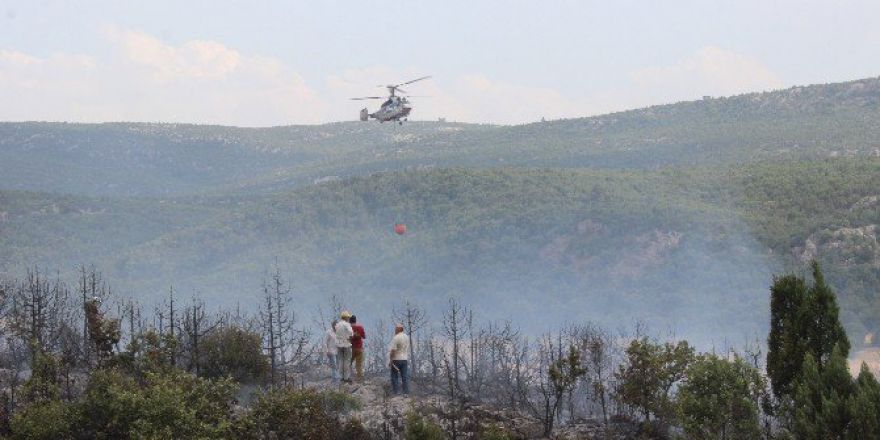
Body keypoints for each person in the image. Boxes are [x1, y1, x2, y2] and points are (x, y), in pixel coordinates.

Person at [388, 324, 410, 395]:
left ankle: (396, 392)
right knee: (404, 376)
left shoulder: (396, 338)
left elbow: (393, 350)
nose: (395, 330)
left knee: (394, 376)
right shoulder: (407, 337)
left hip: (396, 359)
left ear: (399, 329)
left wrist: (390, 360)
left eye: (396, 329)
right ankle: (406, 393)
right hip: (405, 359)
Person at [336, 311, 354, 383]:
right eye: (348, 317)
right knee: (347, 361)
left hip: (339, 345)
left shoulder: (337, 325)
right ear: (346, 317)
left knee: (340, 361)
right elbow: (351, 333)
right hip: (346, 344)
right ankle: (346, 378)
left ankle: (341, 377)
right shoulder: (347, 324)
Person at [349, 315, 366, 383]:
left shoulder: (349, 328)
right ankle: (360, 380)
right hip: (359, 349)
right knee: (359, 365)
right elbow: (364, 336)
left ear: (350, 321)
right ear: (355, 320)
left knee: (347, 363)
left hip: (351, 349)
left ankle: (346, 378)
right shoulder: (360, 327)